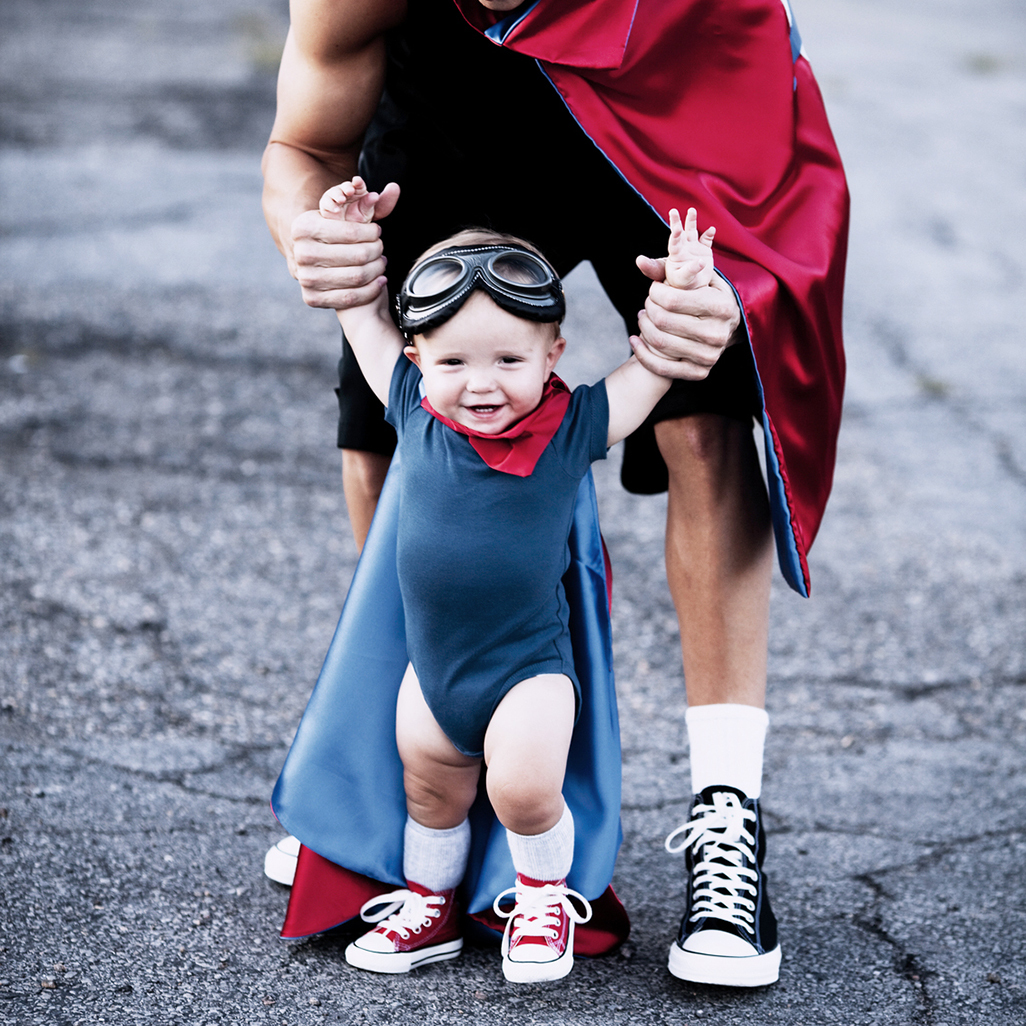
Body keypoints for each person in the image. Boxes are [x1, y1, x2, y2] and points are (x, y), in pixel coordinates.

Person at [262, 0, 848, 989]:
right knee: (395, 423)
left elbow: (772, 159)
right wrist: (310, 236)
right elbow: (301, 146)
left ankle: (725, 815)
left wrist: (723, 289)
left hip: (666, 97)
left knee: (705, 410)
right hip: (456, 107)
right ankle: (400, 794)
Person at [315, 177, 712, 982]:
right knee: (432, 793)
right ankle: (432, 905)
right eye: (455, 360)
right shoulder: (411, 404)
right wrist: (351, 231)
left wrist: (685, 289)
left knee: (526, 792)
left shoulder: (571, 427)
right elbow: (360, 310)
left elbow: (657, 366)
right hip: (432, 675)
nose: (483, 382)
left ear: (552, 356)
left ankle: (540, 897)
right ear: (418, 355)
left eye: (509, 359)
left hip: (528, 672)